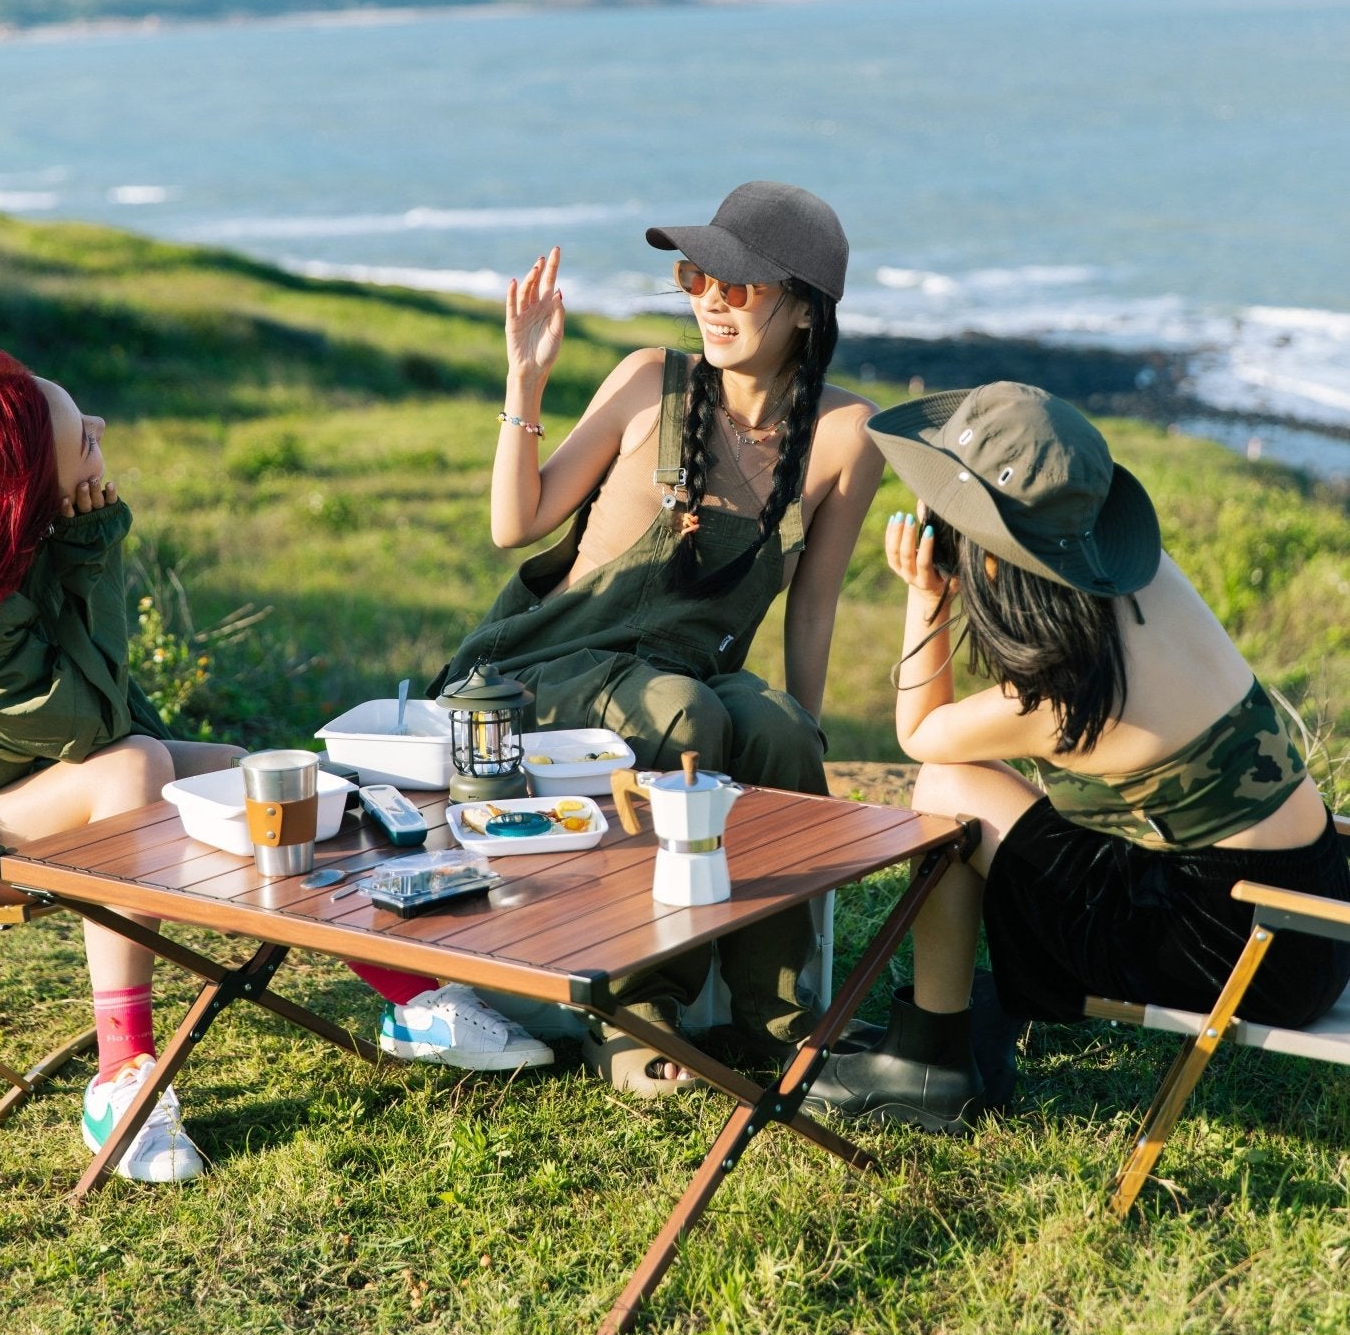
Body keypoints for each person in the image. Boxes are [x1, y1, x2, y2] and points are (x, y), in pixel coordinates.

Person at [357, 182, 884, 1092]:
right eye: (696, 277)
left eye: (741, 287)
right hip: (539, 666)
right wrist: (525, 380)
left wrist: (808, 717)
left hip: (683, 669)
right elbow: (514, 524)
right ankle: (643, 1010)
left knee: (776, 730)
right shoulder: (650, 378)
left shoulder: (846, 434)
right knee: (684, 718)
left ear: (804, 307)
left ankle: (782, 1017)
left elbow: (814, 604)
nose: (710, 302)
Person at [809, 380, 1350, 1131]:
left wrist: (923, 594)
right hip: (1315, 911)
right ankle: (967, 1024)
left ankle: (932, 1060)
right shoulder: (1151, 581)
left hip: (1236, 951)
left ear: (989, 557)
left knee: (945, 784)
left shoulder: (1066, 702)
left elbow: (921, 737)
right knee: (982, 794)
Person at [0, 346, 246, 1180]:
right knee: (135, 770)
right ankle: (121, 1079)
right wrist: (94, 556)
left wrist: (70, 555)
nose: (100, 429)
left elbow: (124, 716)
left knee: (244, 773)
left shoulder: (16, 562)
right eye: (83, 441)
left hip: (21, 797)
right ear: (31, 488)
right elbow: (97, 729)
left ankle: (408, 999)